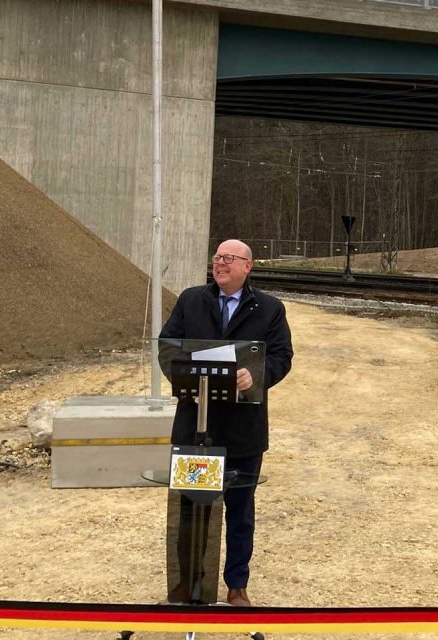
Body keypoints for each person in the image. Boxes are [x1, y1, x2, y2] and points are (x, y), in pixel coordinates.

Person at [159, 239, 294, 607]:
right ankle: (188, 582)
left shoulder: (270, 309)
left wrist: (257, 375)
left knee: (239, 512)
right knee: (191, 508)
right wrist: (183, 375)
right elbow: (167, 345)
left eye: (229, 258)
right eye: (217, 257)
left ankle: (236, 585)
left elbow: (282, 356)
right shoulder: (191, 300)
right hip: (195, 426)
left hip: (243, 431)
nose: (220, 263)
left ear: (247, 266)